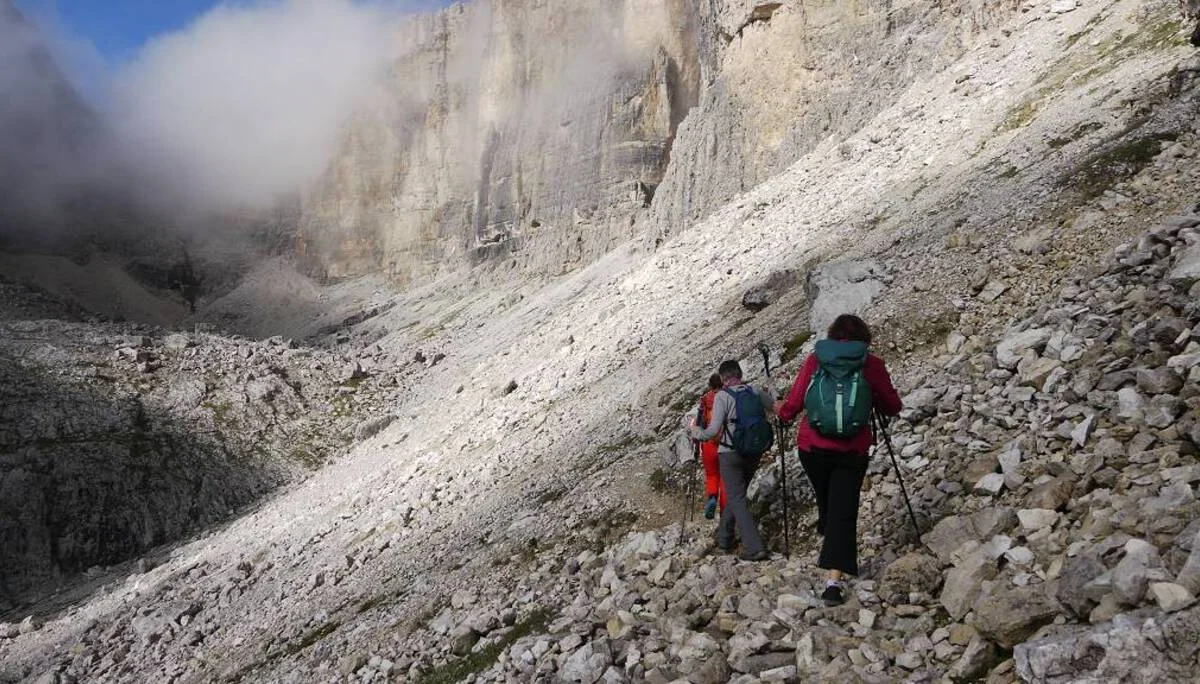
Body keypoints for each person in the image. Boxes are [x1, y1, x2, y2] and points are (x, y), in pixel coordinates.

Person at [776, 314, 902, 605]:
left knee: (826, 499)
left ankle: (826, 523)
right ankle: (833, 584)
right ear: (864, 338)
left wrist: (780, 410)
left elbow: (794, 404)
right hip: (852, 451)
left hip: (812, 448)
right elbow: (893, 406)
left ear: (832, 335)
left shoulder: (815, 360)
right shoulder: (871, 364)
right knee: (843, 512)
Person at [690, 360, 776, 562]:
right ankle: (725, 539)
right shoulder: (754, 391)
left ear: (723, 378)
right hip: (754, 452)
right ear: (740, 374)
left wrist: (695, 431)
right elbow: (775, 407)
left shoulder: (723, 396)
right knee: (736, 494)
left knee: (736, 498)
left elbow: (713, 431)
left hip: (730, 454)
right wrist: (773, 389)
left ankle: (754, 548)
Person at [695, 374, 726, 519]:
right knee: (725, 478)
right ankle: (725, 511)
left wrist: (697, 443)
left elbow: (698, 424)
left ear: (710, 385)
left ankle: (712, 498)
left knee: (712, 475)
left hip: (708, 444)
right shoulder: (727, 397)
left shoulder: (705, 400)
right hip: (726, 444)